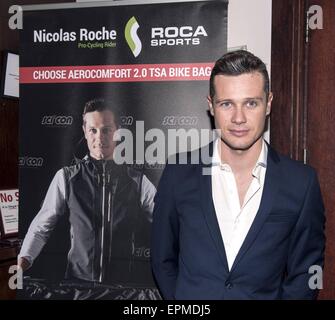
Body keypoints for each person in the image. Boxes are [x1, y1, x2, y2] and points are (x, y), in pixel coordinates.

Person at [151, 50, 326, 300]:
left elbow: (306, 274)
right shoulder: (179, 172)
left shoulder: (301, 182)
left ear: (269, 103)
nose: (239, 118)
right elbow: (161, 259)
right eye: (227, 104)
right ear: (211, 105)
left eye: (251, 103)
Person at [18, 98, 157, 295]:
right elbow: (41, 227)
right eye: (93, 130)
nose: (99, 137)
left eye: (107, 130)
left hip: (122, 290)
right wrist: (21, 264)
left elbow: (166, 224)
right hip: (78, 287)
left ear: (117, 131)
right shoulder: (66, 177)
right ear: (84, 131)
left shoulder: (138, 181)